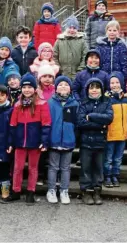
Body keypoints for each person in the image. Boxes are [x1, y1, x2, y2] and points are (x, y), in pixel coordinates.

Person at [2, 74, 51, 205]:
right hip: (19, 142)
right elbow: (12, 125)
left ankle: (31, 192)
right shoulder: (17, 105)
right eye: (24, 87)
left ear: (34, 89)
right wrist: (11, 142)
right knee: (17, 168)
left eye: (30, 87)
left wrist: (44, 141)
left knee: (33, 169)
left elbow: (46, 124)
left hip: (35, 143)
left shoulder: (42, 104)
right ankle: (16, 191)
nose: (27, 90)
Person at [77, 78, 113, 205]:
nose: (94, 90)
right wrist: (100, 124)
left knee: (98, 168)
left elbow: (108, 118)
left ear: (101, 90)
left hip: (100, 141)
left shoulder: (107, 102)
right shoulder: (83, 103)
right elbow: (81, 122)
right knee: (86, 168)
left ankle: (97, 191)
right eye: (91, 88)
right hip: (86, 141)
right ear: (87, 90)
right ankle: (86, 192)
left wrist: (91, 116)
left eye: (97, 88)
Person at [46, 76, 78, 204]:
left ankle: (64, 190)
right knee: (53, 167)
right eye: (60, 84)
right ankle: (51, 189)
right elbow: (47, 122)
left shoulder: (75, 103)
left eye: (66, 84)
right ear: (56, 88)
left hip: (68, 141)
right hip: (54, 140)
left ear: (70, 89)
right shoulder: (50, 102)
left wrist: (74, 137)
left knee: (65, 168)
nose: (63, 87)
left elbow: (76, 124)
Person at [104, 72, 127, 188]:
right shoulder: (106, 99)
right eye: (112, 83)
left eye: (117, 82)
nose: (115, 85)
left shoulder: (126, 99)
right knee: (108, 158)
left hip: (122, 134)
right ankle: (107, 176)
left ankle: (115, 175)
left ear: (121, 83)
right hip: (110, 134)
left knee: (118, 158)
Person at [96, 21, 127, 91]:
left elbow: (125, 63)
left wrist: (124, 77)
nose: (112, 32)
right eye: (110, 30)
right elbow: (97, 62)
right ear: (106, 31)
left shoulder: (122, 46)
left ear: (118, 32)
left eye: (114, 30)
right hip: (103, 77)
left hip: (117, 79)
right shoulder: (100, 46)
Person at [53, 15, 88, 80]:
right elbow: (54, 56)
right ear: (66, 28)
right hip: (62, 74)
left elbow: (85, 56)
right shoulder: (59, 41)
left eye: (74, 28)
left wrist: (80, 70)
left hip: (77, 75)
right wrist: (58, 68)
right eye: (70, 27)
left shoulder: (82, 41)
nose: (72, 30)